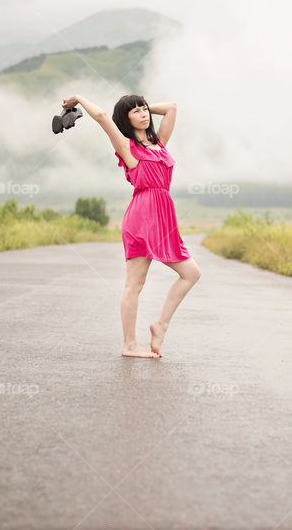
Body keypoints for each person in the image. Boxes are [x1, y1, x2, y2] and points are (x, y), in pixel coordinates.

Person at [60, 94, 202, 359]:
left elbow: (171, 108)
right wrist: (78, 98)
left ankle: (161, 325)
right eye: (135, 112)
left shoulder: (158, 143)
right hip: (141, 216)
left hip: (163, 217)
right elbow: (103, 117)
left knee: (191, 273)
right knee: (134, 284)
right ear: (125, 120)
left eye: (144, 109)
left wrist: (142, 104)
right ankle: (129, 344)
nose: (143, 114)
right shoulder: (127, 147)